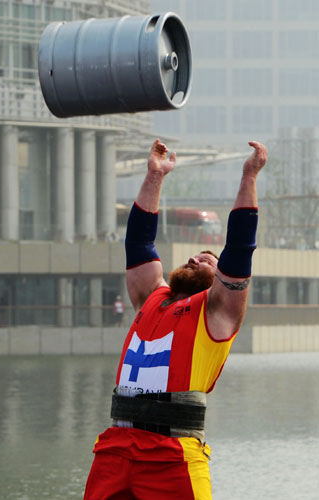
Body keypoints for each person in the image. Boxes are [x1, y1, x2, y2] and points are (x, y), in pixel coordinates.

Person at [83, 138, 268, 500]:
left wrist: (249, 176)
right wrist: (155, 176)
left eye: (208, 261)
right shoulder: (150, 296)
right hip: (115, 448)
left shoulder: (217, 313)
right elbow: (138, 244)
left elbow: (239, 250)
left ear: (220, 278)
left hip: (173, 457)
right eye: (194, 256)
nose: (196, 260)